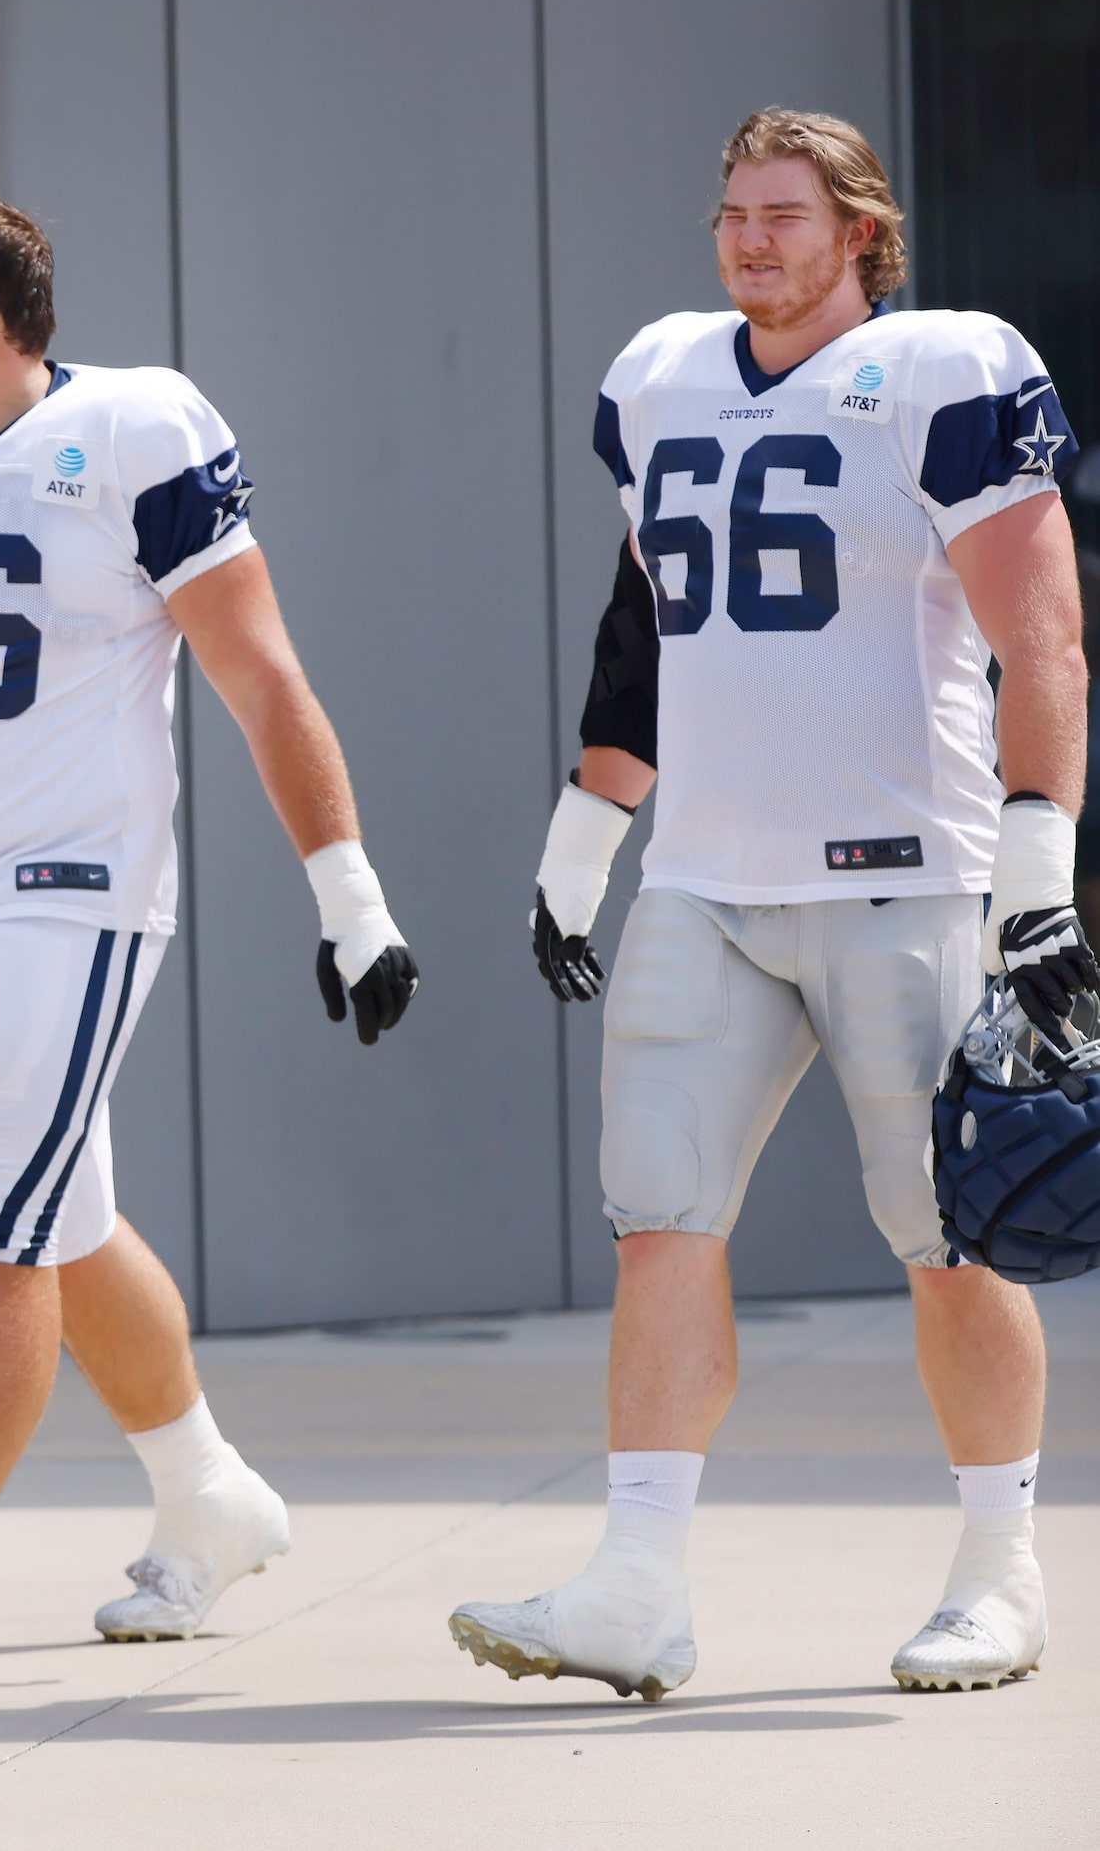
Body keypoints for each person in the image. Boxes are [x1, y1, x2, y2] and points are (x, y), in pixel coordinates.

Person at [453, 108, 1081, 1701]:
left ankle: (1002, 1569)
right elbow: (643, 616)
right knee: (660, 1216)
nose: (749, 240)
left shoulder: (944, 372)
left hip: (905, 876)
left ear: (860, 230)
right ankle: (638, 1585)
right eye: (733, 211)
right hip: (710, 883)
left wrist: (1042, 890)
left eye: (786, 214)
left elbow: (1045, 635)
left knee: (954, 1234)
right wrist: (586, 833)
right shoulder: (662, 374)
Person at [0, 198, 421, 1684]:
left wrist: (352, 898)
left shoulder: (134, 433)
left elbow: (258, 673)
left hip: (72, 885)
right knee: (61, 1220)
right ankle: (209, 1492)